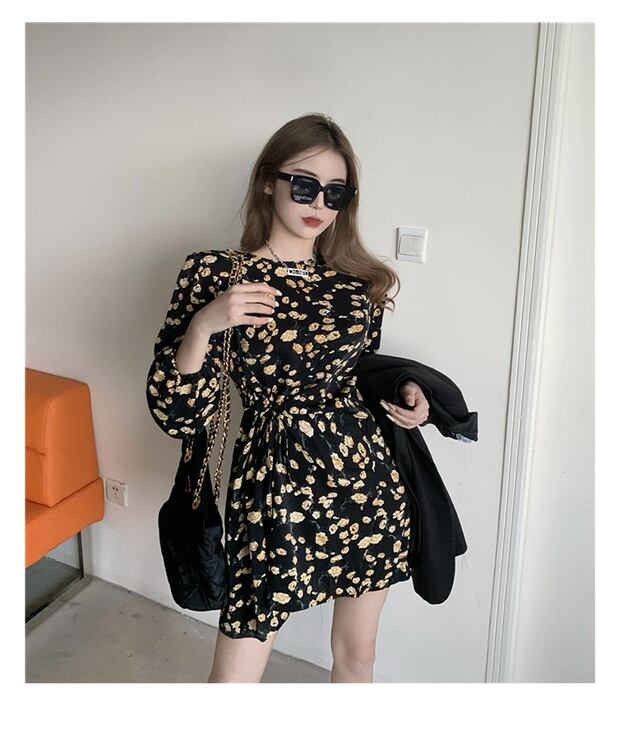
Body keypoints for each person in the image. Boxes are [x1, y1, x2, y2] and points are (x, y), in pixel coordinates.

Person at [146, 113, 429, 683]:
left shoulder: (358, 285)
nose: (318, 203)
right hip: (272, 483)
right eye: (303, 185)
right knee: (235, 675)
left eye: (335, 192)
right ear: (267, 182)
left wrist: (407, 392)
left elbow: (358, 376)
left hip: (366, 481)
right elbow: (175, 414)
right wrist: (203, 325)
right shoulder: (215, 274)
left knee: (359, 655)